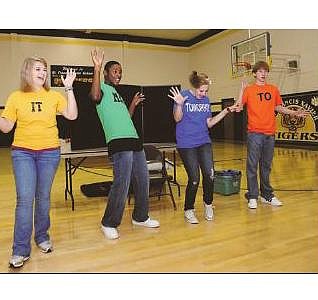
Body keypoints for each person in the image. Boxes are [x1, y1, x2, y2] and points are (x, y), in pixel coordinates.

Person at [0, 56, 78, 268]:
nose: (43, 72)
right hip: (23, 153)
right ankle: (20, 249)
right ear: (27, 72)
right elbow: (6, 127)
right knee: (25, 199)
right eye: (38, 69)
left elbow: (72, 115)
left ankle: (42, 237)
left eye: (44, 69)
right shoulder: (16, 97)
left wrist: (69, 89)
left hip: (49, 153)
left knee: (43, 198)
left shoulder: (54, 96)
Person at [89, 48, 159, 240]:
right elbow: (94, 96)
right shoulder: (101, 89)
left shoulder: (117, 95)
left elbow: (126, 117)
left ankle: (140, 217)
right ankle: (109, 222)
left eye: (120, 71)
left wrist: (133, 104)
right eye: (115, 71)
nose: (118, 74)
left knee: (143, 180)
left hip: (134, 140)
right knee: (123, 182)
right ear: (106, 73)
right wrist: (97, 67)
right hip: (118, 142)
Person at [235, 60, 309, 209]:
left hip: (270, 133)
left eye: (265, 71)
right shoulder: (249, 90)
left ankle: (267, 195)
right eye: (260, 71)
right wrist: (241, 92)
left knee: (266, 166)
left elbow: (279, 107)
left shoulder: (273, 89)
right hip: (255, 133)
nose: (263, 74)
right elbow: (238, 108)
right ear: (254, 73)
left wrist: (295, 112)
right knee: (252, 165)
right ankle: (253, 196)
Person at [168, 71, 236, 223]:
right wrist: (179, 104)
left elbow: (209, 123)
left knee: (210, 175)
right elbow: (177, 119)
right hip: (186, 144)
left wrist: (225, 111)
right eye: (201, 91)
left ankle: (208, 204)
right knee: (194, 179)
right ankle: (189, 209)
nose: (203, 94)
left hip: (204, 141)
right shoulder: (184, 96)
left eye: (206, 91)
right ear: (194, 87)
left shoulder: (206, 100)